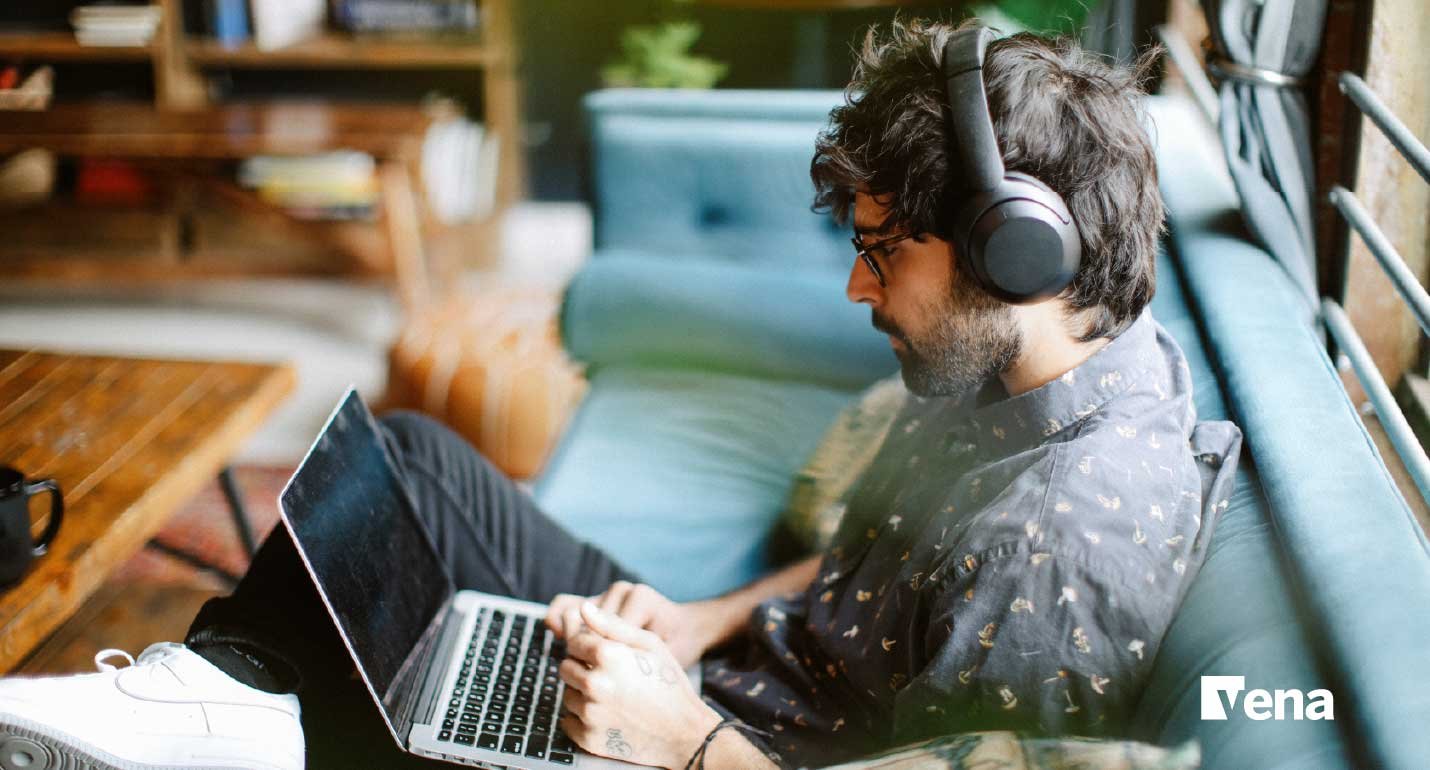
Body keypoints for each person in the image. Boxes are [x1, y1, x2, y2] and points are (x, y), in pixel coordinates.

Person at [0, 18, 1240, 770]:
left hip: (713, 746)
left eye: (882, 249)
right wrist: (699, 619)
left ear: (1014, 250)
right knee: (416, 462)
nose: (859, 289)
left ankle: (235, 721)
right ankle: (211, 706)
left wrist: (674, 732)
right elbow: (881, 558)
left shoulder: (1058, 551)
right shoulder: (1026, 363)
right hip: (721, 674)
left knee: (385, 683)